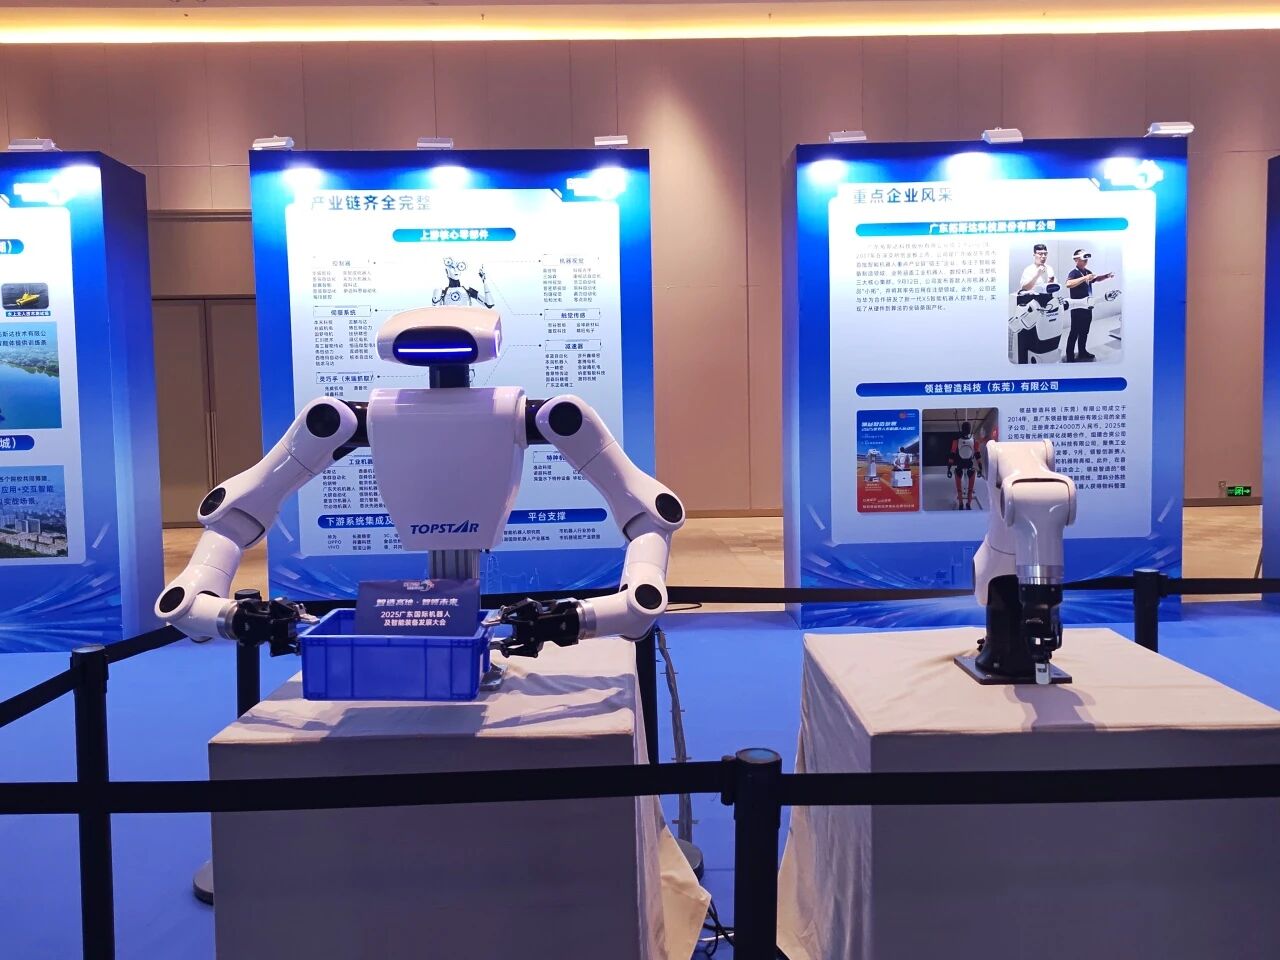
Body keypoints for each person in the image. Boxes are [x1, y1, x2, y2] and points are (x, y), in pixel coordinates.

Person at [1063, 249, 1113, 362]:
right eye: (1083, 258)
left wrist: (1106, 276)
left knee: (1084, 332)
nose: (1086, 260)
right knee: (1074, 332)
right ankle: (1070, 356)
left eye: (1086, 258)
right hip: (1077, 307)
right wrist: (1085, 278)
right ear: (1076, 259)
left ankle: (1082, 352)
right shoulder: (1074, 273)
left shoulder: (1087, 271)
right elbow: (1068, 284)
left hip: (1088, 307)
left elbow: (1095, 278)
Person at [946, 421, 983, 510]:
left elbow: (952, 456)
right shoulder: (970, 441)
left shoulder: (960, 441)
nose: (967, 430)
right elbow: (977, 456)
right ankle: (964, 504)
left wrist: (949, 469)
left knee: (966, 489)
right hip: (966, 466)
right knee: (966, 489)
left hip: (963, 466)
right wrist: (980, 468)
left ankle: (964, 504)